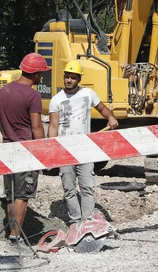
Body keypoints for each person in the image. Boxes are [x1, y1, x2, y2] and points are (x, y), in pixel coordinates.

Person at [47, 60, 119, 225]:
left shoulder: (88, 94)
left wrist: (110, 117)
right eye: (67, 77)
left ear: (79, 79)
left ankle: (87, 221)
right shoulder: (56, 100)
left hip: (85, 148)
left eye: (73, 77)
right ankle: (75, 221)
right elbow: (53, 126)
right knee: (69, 188)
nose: (69, 80)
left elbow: (101, 108)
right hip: (65, 150)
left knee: (87, 186)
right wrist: (51, 149)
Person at [0, 53, 48, 253]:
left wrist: (8, 137)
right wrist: (44, 150)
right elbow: (36, 127)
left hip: (7, 148)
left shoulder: (4, 91)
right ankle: (15, 242)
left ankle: (12, 235)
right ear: (35, 74)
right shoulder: (32, 95)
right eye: (41, 74)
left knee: (10, 195)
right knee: (22, 195)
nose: (42, 77)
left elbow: (1, 123)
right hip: (26, 151)